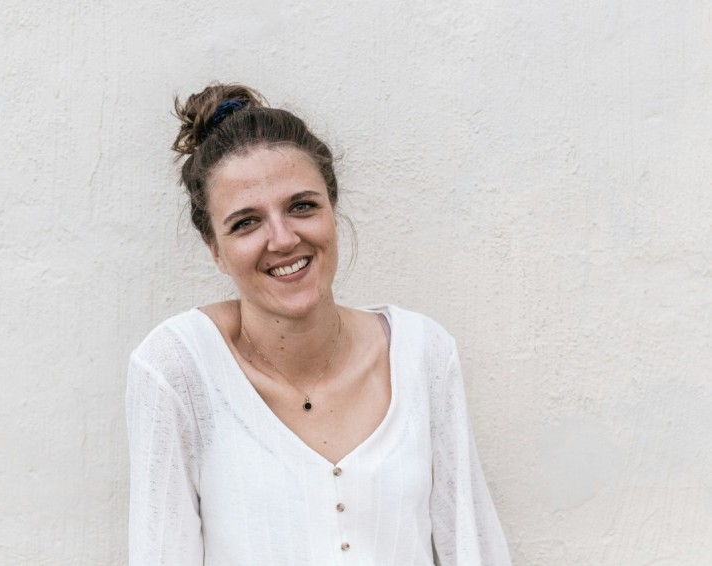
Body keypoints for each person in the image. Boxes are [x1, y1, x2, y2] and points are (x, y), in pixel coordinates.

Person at [126, 83, 511, 565]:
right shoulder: (177, 369)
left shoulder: (424, 354)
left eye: (301, 206)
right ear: (215, 250)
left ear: (332, 208)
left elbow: (472, 548)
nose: (283, 239)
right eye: (246, 222)